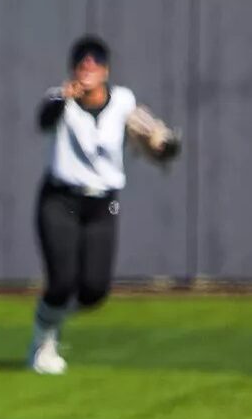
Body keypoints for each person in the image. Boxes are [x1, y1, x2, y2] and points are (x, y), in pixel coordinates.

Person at [28, 34, 179, 375]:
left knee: (94, 290)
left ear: (106, 70)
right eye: (83, 64)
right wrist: (63, 98)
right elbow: (44, 119)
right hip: (61, 198)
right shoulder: (60, 99)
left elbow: (148, 134)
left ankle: (51, 321)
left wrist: (161, 145)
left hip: (103, 204)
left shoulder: (122, 101)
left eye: (95, 63)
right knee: (62, 280)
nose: (88, 69)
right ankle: (43, 340)